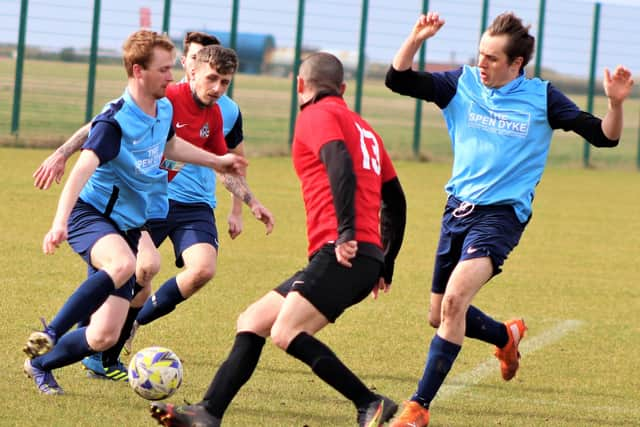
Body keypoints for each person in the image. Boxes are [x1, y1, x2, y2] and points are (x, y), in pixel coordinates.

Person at [384, 12, 634, 427]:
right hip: (457, 210)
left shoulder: (542, 98)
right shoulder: (460, 84)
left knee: (454, 303)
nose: (482, 64)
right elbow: (399, 79)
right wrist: (415, 38)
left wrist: (615, 103)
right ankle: (505, 335)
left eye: (492, 59)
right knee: (439, 315)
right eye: (480, 55)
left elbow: (605, 137)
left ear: (516, 64)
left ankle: (418, 407)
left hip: (501, 216)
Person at [149, 52, 407, 427]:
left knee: (288, 332)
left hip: (342, 251)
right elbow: (396, 200)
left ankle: (370, 402)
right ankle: (208, 412)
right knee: (253, 320)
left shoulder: (316, 116)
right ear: (344, 89)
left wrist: (348, 233)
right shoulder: (365, 129)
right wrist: (387, 259)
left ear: (300, 85)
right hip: (360, 255)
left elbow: (338, 162)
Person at [22, 29, 248, 395]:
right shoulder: (116, 121)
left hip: (128, 224)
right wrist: (59, 222)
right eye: (163, 69)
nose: (171, 76)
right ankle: (51, 331)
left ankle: (39, 363)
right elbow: (84, 168)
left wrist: (219, 160)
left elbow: (173, 145)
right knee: (126, 265)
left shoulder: (164, 110)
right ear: (138, 71)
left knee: (102, 336)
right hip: (92, 215)